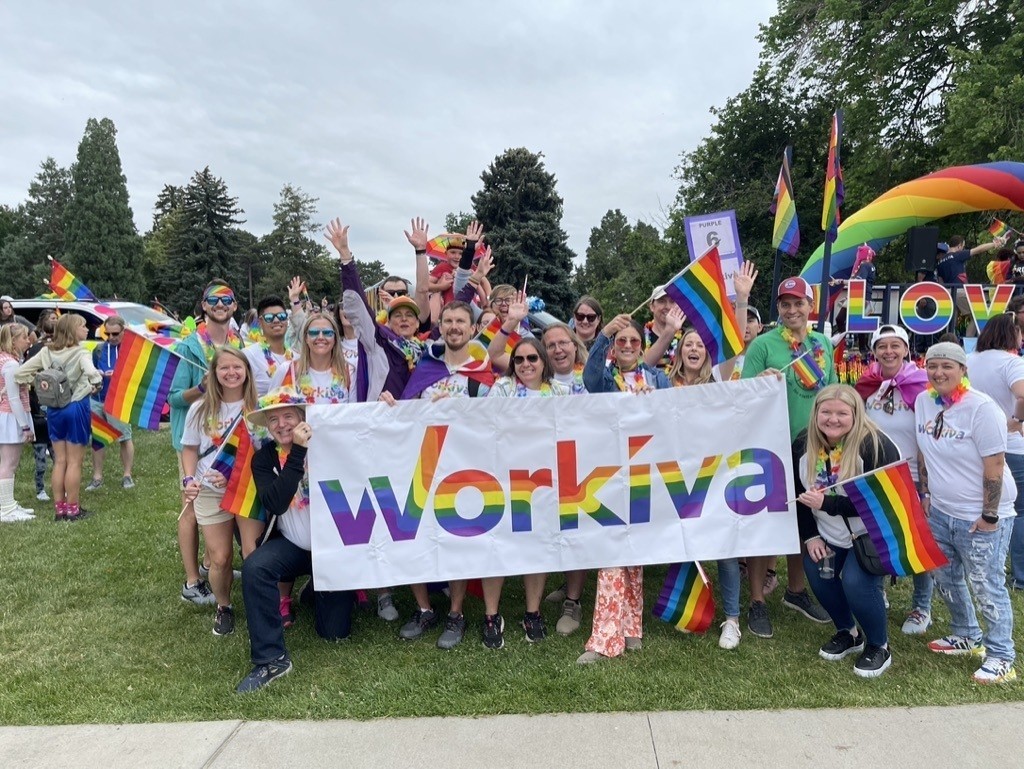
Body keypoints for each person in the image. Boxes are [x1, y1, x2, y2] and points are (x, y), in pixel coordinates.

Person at [236, 386, 355, 693]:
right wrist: (298, 453)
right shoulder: (264, 458)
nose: (281, 424)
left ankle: (315, 589)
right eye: (273, 419)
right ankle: (272, 659)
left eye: (288, 415)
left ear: (303, 418)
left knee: (334, 633)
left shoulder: (329, 445)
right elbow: (275, 503)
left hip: (332, 547)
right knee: (255, 568)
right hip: (292, 545)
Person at [392, 300, 494, 649]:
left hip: (462, 469)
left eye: (460, 321)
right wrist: (392, 409)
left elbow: (493, 422)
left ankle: (455, 613)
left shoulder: (482, 373)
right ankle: (423, 608)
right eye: (448, 320)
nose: (453, 326)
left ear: (471, 328)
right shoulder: (426, 368)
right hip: (422, 463)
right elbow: (406, 411)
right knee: (414, 535)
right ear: (441, 327)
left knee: (457, 540)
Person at [916, 341, 1017, 684]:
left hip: (982, 515)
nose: (939, 372)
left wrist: (989, 516)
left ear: (963, 370)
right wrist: (927, 492)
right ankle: (966, 633)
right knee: (944, 576)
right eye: (933, 366)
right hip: (942, 510)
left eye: (947, 366)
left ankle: (1002, 655)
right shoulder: (924, 402)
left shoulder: (981, 407)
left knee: (986, 584)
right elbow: (923, 450)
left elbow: (995, 464)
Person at [741, 275, 834, 637]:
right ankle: (757, 602)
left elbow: (834, 393)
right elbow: (742, 396)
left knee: (804, 520)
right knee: (766, 525)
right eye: (785, 304)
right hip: (771, 445)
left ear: (810, 306)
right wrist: (759, 382)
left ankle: (796, 592)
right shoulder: (763, 345)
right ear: (778, 308)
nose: (792, 309)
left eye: (798, 303)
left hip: (814, 448)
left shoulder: (822, 343)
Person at [577, 314, 670, 664]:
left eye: (634, 341)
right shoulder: (605, 380)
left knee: (633, 553)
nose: (628, 345)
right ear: (615, 349)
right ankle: (604, 638)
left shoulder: (658, 378)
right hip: (609, 474)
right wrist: (604, 334)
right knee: (611, 551)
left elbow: (674, 417)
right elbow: (587, 375)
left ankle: (631, 627)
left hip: (648, 474)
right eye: (622, 342)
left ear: (643, 347)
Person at [794, 385, 901, 677]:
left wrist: (828, 503)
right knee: (817, 571)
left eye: (842, 413)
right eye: (826, 412)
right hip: (827, 532)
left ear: (856, 414)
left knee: (856, 582)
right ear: (816, 413)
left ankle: (879, 645)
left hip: (869, 532)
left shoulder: (875, 444)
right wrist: (810, 536)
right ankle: (848, 632)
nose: (833, 419)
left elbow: (883, 501)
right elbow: (798, 495)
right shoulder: (803, 443)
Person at [480, 338, 569, 645]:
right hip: (504, 478)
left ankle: (532, 612)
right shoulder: (502, 390)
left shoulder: (562, 392)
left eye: (533, 358)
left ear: (544, 361)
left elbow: (592, 420)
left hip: (546, 482)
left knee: (537, 546)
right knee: (497, 546)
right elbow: (477, 422)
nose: (526, 364)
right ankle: (491, 615)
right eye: (519, 360)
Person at [853, 324, 933, 634]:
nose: (889, 352)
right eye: (882, 347)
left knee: (918, 543)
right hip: (876, 477)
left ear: (906, 349)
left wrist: (925, 491)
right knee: (879, 538)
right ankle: (879, 591)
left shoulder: (922, 385)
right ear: (874, 352)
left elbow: (928, 440)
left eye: (895, 346)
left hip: (913, 476)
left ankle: (921, 607)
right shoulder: (867, 386)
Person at [169, 279, 242, 606]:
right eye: (214, 299)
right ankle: (192, 581)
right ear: (204, 305)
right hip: (196, 440)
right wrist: (201, 388)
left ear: (235, 305)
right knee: (191, 509)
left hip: (229, 437)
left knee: (220, 504)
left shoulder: (239, 340)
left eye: (227, 299)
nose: (221, 304)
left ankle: (214, 562)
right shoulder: (190, 347)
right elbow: (173, 398)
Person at [181, 347, 261, 636]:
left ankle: (259, 606)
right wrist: (188, 479)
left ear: (247, 372)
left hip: (246, 489)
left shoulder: (259, 408)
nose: (231, 373)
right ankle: (224, 606)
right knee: (220, 558)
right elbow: (189, 449)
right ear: (214, 373)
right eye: (224, 368)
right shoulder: (199, 409)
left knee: (253, 555)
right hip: (209, 491)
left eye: (237, 367)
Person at [16, 313, 102, 521]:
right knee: (75, 462)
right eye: (82, 326)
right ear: (73, 330)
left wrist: (37, 384)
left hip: (54, 409)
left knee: (60, 461)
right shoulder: (81, 352)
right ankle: (73, 509)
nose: (86, 329)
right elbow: (94, 374)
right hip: (75, 407)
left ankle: (59, 509)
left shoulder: (47, 352)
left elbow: (19, 373)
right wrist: (95, 383)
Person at [965, 313, 1024, 592]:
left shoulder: (969, 360)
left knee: (981, 506)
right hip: (1010, 446)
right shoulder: (1012, 362)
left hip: (974, 445)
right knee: (1018, 511)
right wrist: (1016, 421)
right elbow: (1023, 394)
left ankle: (976, 564)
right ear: (1011, 336)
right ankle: (1019, 575)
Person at [86, 316, 136, 491]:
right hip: (98, 399)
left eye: (116, 333)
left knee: (124, 437)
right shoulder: (99, 350)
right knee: (98, 438)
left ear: (124, 331)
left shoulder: (130, 350)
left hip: (119, 400)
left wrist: (118, 375)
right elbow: (90, 372)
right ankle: (97, 476)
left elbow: (136, 377)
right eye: (108, 333)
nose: (112, 337)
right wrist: (96, 375)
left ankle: (127, 475)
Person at [936, 234, 1007, 336]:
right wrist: (994, 244)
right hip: (960, 291)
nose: (963, 249)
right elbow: (978, 250)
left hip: (948, 293)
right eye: (963, 247)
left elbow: (940, 281)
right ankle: (968, 342)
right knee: (978, 315)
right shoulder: (957, 255)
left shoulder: (940, 262)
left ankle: (949, 342)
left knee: (952, 321)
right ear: (959, 245)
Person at [0, 325, 36, 522]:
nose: (28, 340)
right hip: (11, 416)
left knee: (8, 463)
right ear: (13, 341)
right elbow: (14, 398)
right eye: (24, 337)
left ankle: (8, 503)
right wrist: (25, 426)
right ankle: (6, 508)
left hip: (7, 414)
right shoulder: (11, 364)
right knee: (9, 463)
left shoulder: (5, 360)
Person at [25, 312, 55, 502]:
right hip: (39, 410)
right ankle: (40, 488)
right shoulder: (35, 349)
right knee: (41, 456)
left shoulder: (62, 348)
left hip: (56, 406)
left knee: (58, 455)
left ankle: (61, 485)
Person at [243, 296, 295, 397]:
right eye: (269, 318)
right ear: (260, 322)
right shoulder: (248, 355)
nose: (276, 320)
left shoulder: (296, 357)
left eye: (281, 316)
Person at [642, 286, 683, 374]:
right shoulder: (638, 336)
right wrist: (669, 331)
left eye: (672, 301)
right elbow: (641, 367)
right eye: (661, 301)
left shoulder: (686, 337)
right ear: (652, 306)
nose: (667, 306)